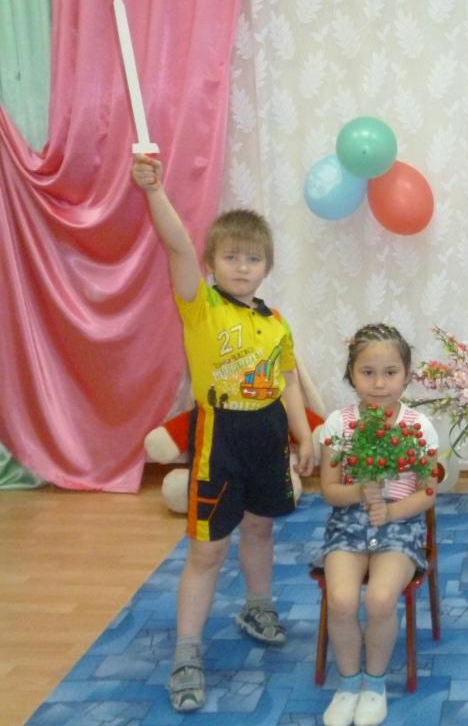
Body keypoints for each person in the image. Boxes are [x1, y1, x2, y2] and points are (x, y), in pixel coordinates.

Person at [131, 155, 315, 712]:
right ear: (212, 263)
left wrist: (303, 434)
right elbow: (178, 248)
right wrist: (155, 191)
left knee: (260, 529)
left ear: (266, 267)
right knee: (207, 551)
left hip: (268, 434)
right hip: (221, 435)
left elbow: (287, 379)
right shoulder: (201, 306)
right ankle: (187, 654)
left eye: (253, 258)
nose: (242, 267)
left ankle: (258, 607)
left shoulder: (274, 322)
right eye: (231, 257)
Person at [317, 324, 439, 726]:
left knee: (381, 599)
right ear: (351, 374)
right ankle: (348, 684)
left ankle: (375, 684)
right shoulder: (339, 424)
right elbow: (329, 491)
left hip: (400, 523)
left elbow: (427, 493)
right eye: (367, 372)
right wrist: (357, 492)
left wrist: (392, 511)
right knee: (341, 600)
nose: (379, 383)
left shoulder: (418, 426)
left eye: (390, 372)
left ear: (406, 375)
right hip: (348, 523)